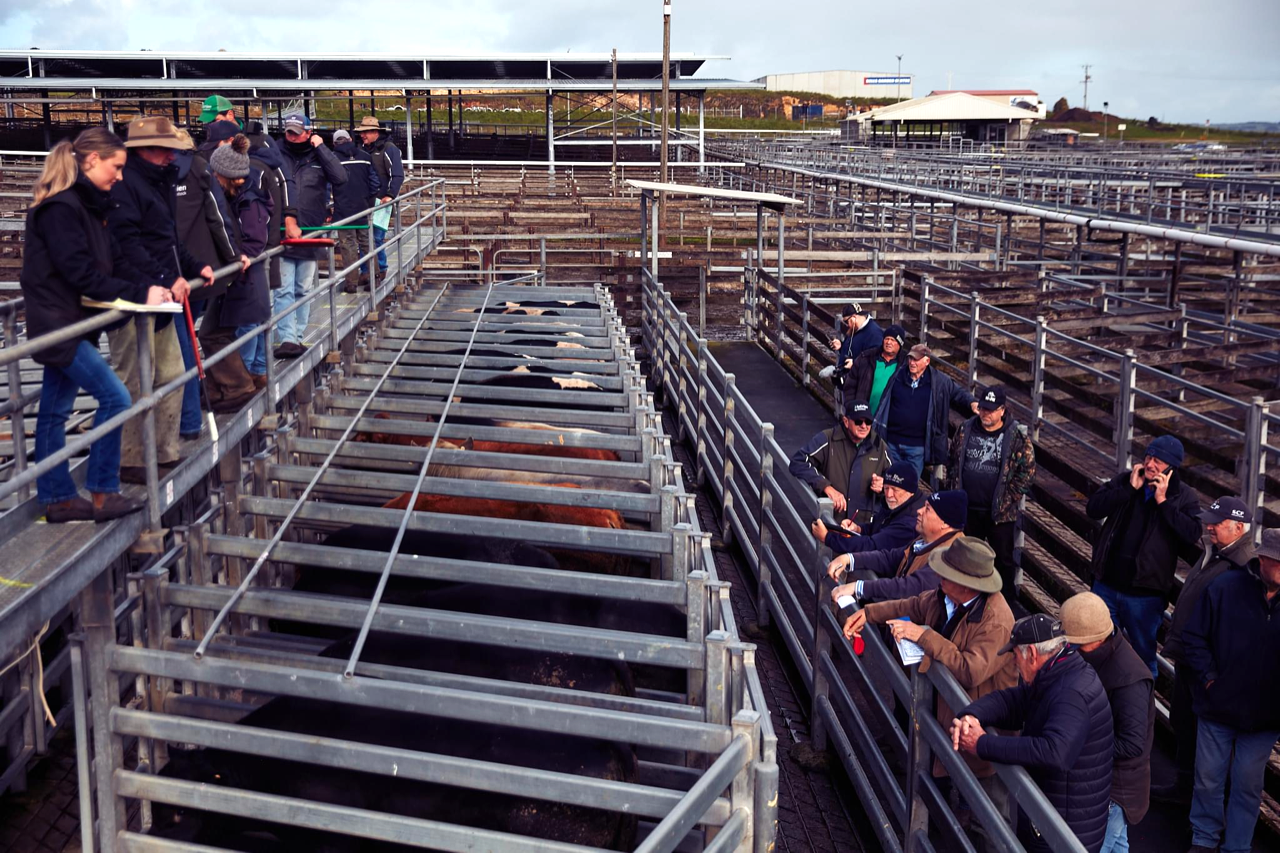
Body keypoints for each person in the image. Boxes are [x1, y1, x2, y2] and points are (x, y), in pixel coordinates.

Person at [19, 128, 173, 522]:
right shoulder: (62, 209)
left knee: (55, 410)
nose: (120, 176)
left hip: (73, 323)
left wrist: (149, 288)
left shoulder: (89, 208)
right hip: (60, 326)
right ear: (91, 161)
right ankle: (103, 491)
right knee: (117, 399)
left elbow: (115, 262)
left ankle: (57, 498)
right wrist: (141, 295)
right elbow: (80, 273)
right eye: (116, 167)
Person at [843, 538, 1017, 831]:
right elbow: (911, 604)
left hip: (983, 728)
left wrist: (922, 636)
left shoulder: (998, 622)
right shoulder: (946, 596)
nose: (938, 575)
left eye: (946, 572)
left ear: (966, 584)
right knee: (939, 788)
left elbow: (970, 670)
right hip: (948, 715)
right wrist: (869, 613)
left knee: (988, 817)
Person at [107, 117, 214, 483]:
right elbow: (128, 244)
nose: (172, 155)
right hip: (137, 297)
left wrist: (195, 265)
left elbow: (167, 238)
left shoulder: (160, 180)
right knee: (137, 378)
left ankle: (164, 451)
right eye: (164, 149)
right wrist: (168, 277)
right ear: (144, 150)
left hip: (163, 297)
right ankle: (133, 459)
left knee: (171, 373)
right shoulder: (126, 186)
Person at [951, 613, 1113, 853]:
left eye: (1016, 656)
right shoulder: (1057, 672)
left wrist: (981, 744)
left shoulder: (1071, 693)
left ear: (1033, 656)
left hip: (1062, 830)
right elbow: (1013, 702)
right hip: (1055, 816)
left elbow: (1055, 752)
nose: (1015, 663)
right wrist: (972, 715)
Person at [1180, 527, 1280, 853]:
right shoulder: (1225, 587)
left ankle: (1237, 847)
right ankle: (1204, 839)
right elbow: (1193, 638)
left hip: (1265, 717)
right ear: (1264, 559)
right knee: (1208, 778)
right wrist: (1211, 679)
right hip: (1218, 706)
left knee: (1248, 785)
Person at [1153, 496, 1255, 806]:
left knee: (1207, 740)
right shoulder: (1214, 551)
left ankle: (1202, 811)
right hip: (1191, 660)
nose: (1208, 525)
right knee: (1184, 724)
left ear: (1239, 527)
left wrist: (1212, 674)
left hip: (1208, 668)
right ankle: (1184, 791)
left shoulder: (1242, 568)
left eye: (1217, 522)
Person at [1085, 435, 1202, 678]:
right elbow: (1093, 507)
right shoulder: (1128, 480)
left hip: (1145, 597)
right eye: (1148, 457)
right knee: (1095, 651)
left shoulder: (1184, 496)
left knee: (1142, 659)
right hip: (1107, 586)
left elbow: (1192, 533)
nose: (1149, 464)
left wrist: (1163, 501)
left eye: (1158, 461)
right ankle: (1100, 707)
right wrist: (1128, 488)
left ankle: (1142, 713)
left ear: (1171, 467)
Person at [1062, 592, 1154, 853]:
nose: (1070, 648)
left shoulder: (1129, 679)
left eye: (1074, 642)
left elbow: (1132, 744)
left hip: (1113, 791)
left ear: (1094, 639)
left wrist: (1080, 746)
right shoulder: (1105, 657)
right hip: (1110, 787)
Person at [175, 123, 238, 438]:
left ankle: (185, 416)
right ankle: (189, 416)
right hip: (197, 268)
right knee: (186, 337)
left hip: (167, 270)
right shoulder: (199, 169)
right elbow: (218, 216)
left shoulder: (151, 176)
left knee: (179, 340)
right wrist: (231, 258)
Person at [947, 385, 1036, 606]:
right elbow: (953, 460)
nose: (985, 413)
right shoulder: (966, 428)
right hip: (967, 510)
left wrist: (1008, 499)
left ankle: (1003, 605)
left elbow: (1028, 471)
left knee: (1003, 561)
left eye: (991, 410)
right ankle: (965, 601)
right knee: (964, 557)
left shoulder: (1016, 436)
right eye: (983, 408)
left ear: (1002, 410)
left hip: (1000, 514)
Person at [197, 135, 267, 412]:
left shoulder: (247, 200)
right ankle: (221, 389)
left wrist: (238, 259)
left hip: (243, 277)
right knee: (214, 332)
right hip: (239, 275)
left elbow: (254, 240)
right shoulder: (242, 195)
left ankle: (237, 387)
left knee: (215, 333)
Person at [275, 113, 346, 359]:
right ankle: (286, 338)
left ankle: (297, 336)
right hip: (283, 230)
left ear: (308, 132)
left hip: (311, 230)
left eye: (296, 131)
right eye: (288, 131)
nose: (291, 136)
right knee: (282, 289)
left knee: (303, 289)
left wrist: (321, 147)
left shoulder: (318, 155)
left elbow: (340, 177)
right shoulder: (276, 153)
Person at [828, 489, 967, 604]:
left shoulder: (950, 556)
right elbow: (892, 558)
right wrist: (849, 559)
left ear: (945, 523)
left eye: (928, 509)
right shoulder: (925, 539)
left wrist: (859, 587)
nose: (919, 511)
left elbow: (909, 587)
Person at [873, 343, 978, 479]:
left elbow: (958, 393)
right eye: (910, 359)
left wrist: (972, 402)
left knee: (910, 487)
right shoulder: (898, 375)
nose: (912, 362)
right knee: (891, 484)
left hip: (916, 447)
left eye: (916, 359)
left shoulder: (939, 381)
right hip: (892, 442)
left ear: (927, 361)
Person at [789, 398, 889, 525]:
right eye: (858, 421)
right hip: (833, 521)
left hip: (865, 527)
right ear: (846, 421)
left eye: (868, 421)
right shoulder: (828, 438)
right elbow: (799, 461)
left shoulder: (879, 446)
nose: (864, 426)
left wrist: (884, 484)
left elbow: (896, 479)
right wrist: (826, 486)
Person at [812, 460, 926, 557]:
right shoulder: (899, 504)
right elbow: (878, 526)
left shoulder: (911, 522)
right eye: (886, 488)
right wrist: (858, 529)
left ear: (910, 492)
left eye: (895, 490)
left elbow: (872, 545)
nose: (889, 494)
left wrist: (828, 538)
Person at [330, 128, 379, 293]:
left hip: (342, 209)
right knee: (367, 242)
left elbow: (327, 185)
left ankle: (351, 282)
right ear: (350, 139)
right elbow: (374, 182)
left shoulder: (332, 159)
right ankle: (374, 277)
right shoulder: (365, 157)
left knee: (348, 245)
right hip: (363, 207)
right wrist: (367, 198)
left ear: (334, 143)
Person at [356, 115, 404, 276]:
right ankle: (366, 271)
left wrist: (390, 195)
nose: (363, 135)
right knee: (364, 237)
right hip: (365, 201)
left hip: (381, 201)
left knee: (375, 237)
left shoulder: (388, 149)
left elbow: (397, 174)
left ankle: (380, 268)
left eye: (366, 132)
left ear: (376, 132)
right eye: (362, 132)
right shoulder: (362, 150)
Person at [847, 323, 905, 416]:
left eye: (893, 340)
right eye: (886, 339)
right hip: (863, 417)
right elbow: (850, 384)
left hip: (890, 418)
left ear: (900, 344)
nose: (888, 342)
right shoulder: (865, 358)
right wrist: (851, 407)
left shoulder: (904, 366)